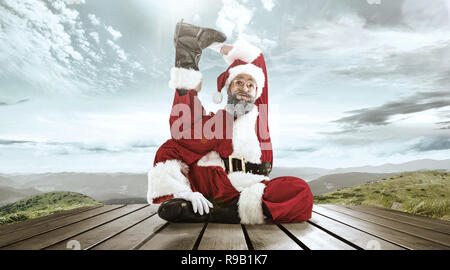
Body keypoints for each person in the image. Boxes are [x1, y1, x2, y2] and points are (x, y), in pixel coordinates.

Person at [146, 20, 313, 224]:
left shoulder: (259, 112)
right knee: (172, 145)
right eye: (238, 82)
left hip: (255, 188)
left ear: (257, 91)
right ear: (229, 88)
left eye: (250, 84)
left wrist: (217, 46)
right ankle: (189, 200)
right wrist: (182, 190)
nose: (245, 87)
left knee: (300, 190)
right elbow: (182, 131)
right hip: (222, 187)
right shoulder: (220, 121)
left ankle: (217, 212)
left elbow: (256, 59)